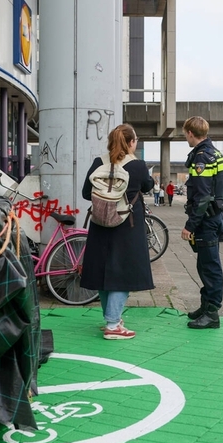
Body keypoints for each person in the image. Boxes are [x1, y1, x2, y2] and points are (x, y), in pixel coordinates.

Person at [79, 124, 155, 340]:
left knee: (102, 271)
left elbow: (86, 193)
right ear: (131, 142)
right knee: (124, 273)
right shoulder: (138, 166)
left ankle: (111, 318)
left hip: (100, 223)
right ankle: (113, 325)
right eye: (136, 140)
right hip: (127, 226)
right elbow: (148, 186)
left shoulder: (98, 163)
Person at [180, 116, 223, 329]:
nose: (185, 137)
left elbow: (202, 196)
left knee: (209, 266)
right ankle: (206, 305)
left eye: (185, 134)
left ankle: (212, 313)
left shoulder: (202, 158)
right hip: (214, 217)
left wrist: (190, 225)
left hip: (206, 220)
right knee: (205, 264)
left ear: (190, 133)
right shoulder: (215, 154)